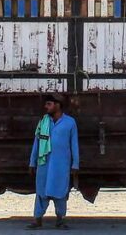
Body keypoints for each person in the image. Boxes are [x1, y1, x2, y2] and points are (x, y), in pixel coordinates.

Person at [27, 94, 79, 231]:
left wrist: (75, 164)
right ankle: (37, 220)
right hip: (44, 164)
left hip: (61, 165)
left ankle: (60, 220)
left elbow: (74, 145)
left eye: (49, 104)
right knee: (41, 192)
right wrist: (32, 162)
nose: (46, 107)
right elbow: (36, 144)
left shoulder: (70, 123)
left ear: (57, 105)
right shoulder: (43, 122)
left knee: (60, 192)